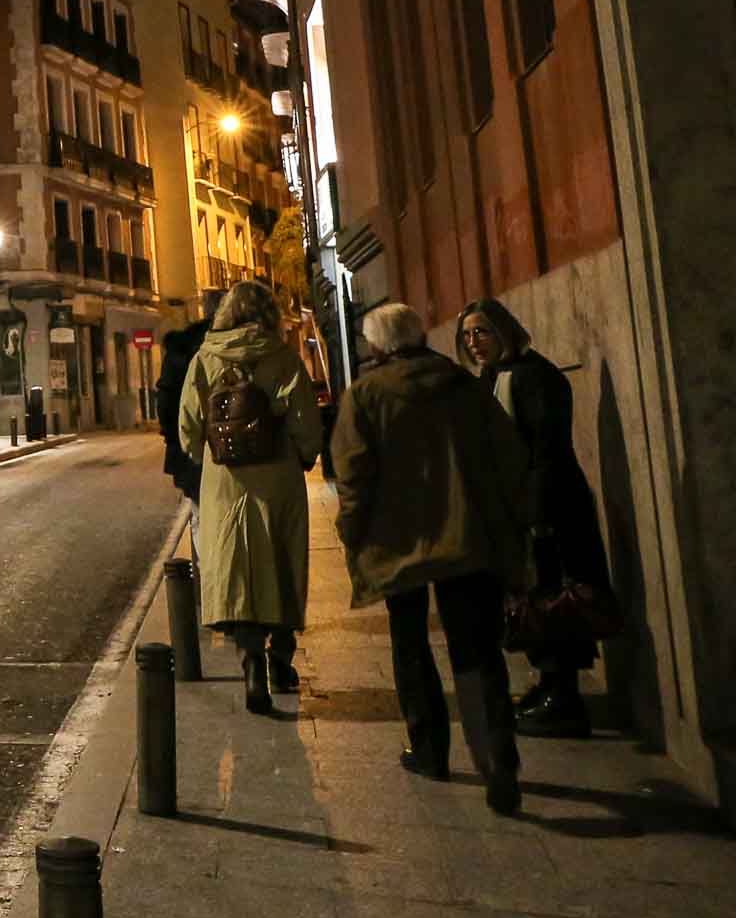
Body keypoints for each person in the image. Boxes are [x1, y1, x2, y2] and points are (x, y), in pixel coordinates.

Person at [330, 302, 534, 815]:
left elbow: (352, 477)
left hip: (397, 543)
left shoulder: (367, 396)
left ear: (377, 346)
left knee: (410, 643)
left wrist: (351, 532)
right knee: (476, 650)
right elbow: (508, 456)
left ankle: (429, 750)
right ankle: (497, 760)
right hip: (466, 537)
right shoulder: (464, 387)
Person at [460, 297, 613, 738]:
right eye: (468, 335)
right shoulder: (496, 378)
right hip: (522, 507)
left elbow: (546, 450)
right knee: (533, 600)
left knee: (555, 600)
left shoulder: (531, 377)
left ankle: (564, 698)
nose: (474, 343)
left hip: (548, 508)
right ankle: (549, 687)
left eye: (482, 332)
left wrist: (536, 512)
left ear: (505, 331)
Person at [175, 280, 323, 714]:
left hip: (225, 480)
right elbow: (306, 424)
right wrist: (304, 455)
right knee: (281, 562)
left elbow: (188, 430)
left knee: (237, 569)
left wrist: (207, 454)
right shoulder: (283, 357)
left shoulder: (206, 359)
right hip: (278, 476)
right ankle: (281, 660)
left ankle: (251, 663)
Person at [155, 290, 221, 504]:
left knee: (202, 520)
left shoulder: (181, 348)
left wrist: (178, 443)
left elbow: (166, 402)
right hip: (240, 453)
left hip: (193, 457)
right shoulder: (246, 345)